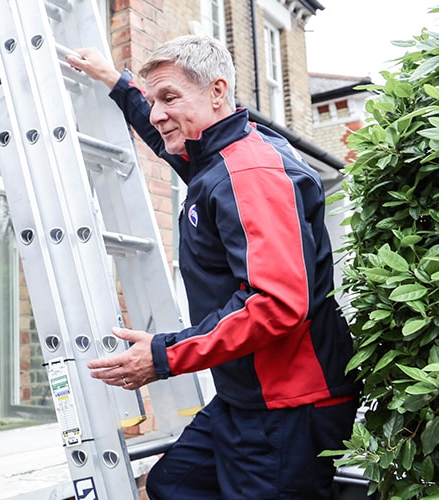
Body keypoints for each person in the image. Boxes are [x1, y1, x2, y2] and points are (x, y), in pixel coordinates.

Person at [66, 35, 360, 498]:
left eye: (170, 97)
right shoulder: (217, 157)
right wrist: (115, 81)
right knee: (169, 485)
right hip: (247, 398)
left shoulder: (250, 175)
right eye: (152, 100)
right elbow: (165, 133)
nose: (158, 112)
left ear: (218, 92)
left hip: (288, 407)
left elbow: (275, 306)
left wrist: (163, 356)